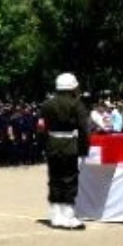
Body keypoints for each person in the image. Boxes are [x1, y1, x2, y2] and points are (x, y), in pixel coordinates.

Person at [38, 74, 91, 230]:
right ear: (72, 88)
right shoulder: (77, 105)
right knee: (69, 179)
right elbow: (84, 130)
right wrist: (83, 150)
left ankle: (55, 216)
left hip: (52, 144)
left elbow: (41, 128)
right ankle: (68, 216)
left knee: (54, 178)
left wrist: (43, 146)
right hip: (70, 145)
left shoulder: (46, 105)